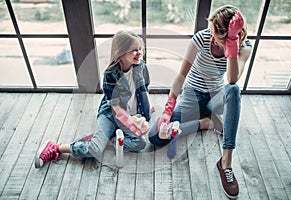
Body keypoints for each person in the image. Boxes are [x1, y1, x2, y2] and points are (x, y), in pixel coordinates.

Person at [148, 5, 252, 199]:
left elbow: (232, 79)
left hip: (217, 97)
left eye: (214, 34)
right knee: (155, 136)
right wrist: (167, 110)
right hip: (192, 96)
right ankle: (204, 123)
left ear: (228, 37)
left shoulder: (243, 48)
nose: (210, 37)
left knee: (233, 89)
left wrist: (231, 45)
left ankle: (226, 163)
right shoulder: (201, 38)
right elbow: (181, 75)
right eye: (210, 30)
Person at [35, 30, 151, 168]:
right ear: (121, 52)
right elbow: (115, 106)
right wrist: (129, 121)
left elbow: (144, 87)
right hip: (111, 114)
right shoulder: (110, 74)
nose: (139, 53)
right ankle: (57, 147)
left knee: (140, 143)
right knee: (95, 149)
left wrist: (142, 109)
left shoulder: (141, 66)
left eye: (140, 49)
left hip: (129, 114)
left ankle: (109, 140)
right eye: (134, 50)